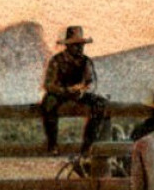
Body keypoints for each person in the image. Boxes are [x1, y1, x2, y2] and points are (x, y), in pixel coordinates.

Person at [41, 25, 110, 158]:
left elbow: (90, 81)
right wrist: (65, 90)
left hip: (79, 94)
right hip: (60, 94)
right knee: (48, 103)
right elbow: (48, 84)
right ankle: (52, 144)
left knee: (100, 103)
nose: (80, 48)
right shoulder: (57, 61)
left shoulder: (86, 62)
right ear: (68, 46)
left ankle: (87, 147)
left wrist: (81, 89)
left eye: (81, 45)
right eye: (76, 45)